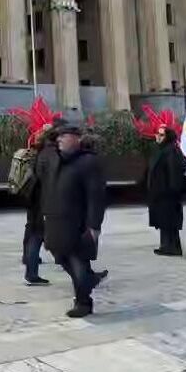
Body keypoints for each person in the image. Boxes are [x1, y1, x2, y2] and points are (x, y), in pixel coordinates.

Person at [42, 128, 108, 318]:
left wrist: (94, 225)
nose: (60, 139)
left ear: (77, 139)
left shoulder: (88, 162)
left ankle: (83, 302)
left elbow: (96, 197)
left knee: (78, 262)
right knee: (61, 257)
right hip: (55, 220)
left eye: (64, 136)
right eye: (59, 136)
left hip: (77, 223)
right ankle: (89, 281)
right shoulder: (56, 159)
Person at [22, 123, 57, 286]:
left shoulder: (38, 150)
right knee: (38, 236)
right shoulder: (50, 154)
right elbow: (49, 179)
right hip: (45, 201)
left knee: (35, 235)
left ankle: (31, 272)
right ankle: (32, 273)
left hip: (35, 200)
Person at [144, 126, 186, 256]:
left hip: (168, 194)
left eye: (161, 135)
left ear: (168, 137)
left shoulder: (171, 151)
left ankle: (172, 247)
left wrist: (172, 191)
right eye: (157, 133)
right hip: (160, 193)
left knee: (169, 220)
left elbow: (174, 173)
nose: (157, 136)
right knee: (164, 221)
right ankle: (166, 246)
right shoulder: (161, 150)